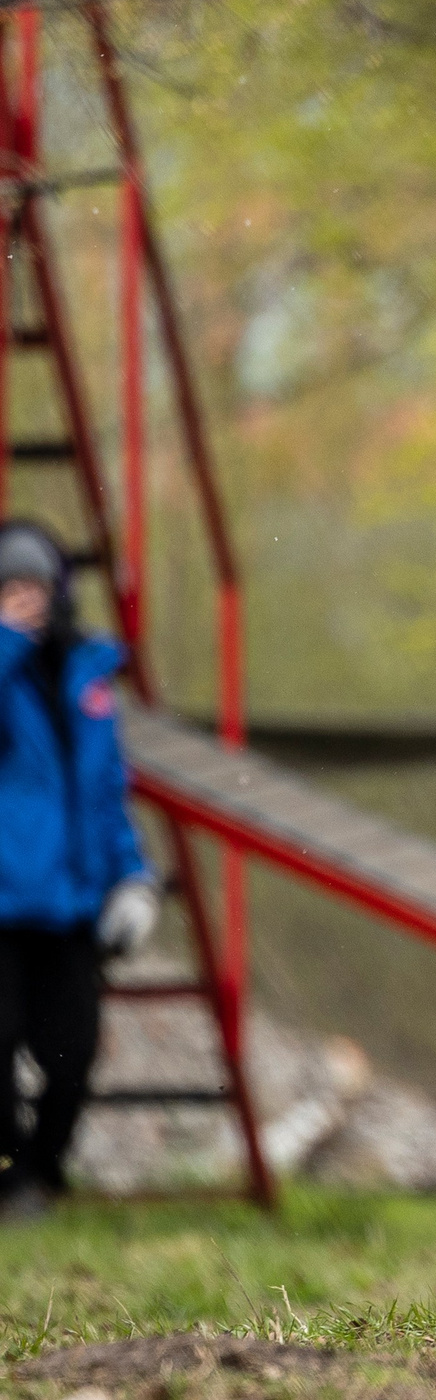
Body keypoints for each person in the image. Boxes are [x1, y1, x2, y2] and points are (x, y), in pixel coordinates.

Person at [0, 519, 158, 1218]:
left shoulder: (87, 677)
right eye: (9, 589)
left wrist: (132, 878)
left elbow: (103, 795)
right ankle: (10, 1180)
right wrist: (5, 642)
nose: (24, 601)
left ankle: (42, 1175)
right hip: (3, 904)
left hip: (69, 906)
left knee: (73, 1050)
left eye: (34, 588)